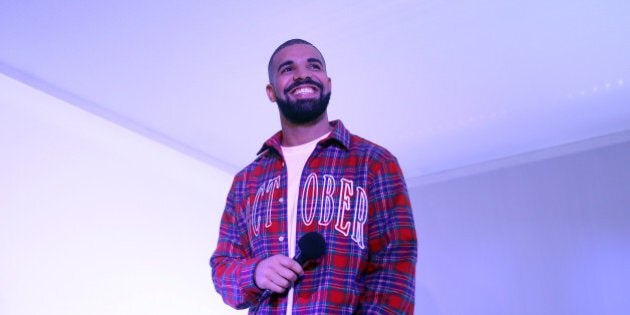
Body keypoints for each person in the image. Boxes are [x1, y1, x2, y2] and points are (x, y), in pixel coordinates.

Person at [210, 38, 417, 314]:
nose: (302, 74)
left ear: (328, 83)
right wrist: (255, 273)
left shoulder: (375, 163)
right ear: (271, 92)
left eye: (313, 66)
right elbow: (224, 268)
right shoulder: (246, 181)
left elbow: (395, 268)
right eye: (287, 69)